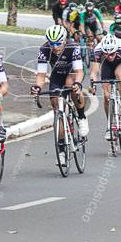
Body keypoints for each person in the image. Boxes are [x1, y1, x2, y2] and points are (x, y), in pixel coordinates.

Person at [31, 25, 90, 166]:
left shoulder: (72, 47)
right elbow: (41, 74)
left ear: (64, 40)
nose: (55, 46)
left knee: (71, 86)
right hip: (57, 75)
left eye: (58, 43)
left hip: (73, 72)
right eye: (51, 43)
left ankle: (81, 116)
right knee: (57, 105)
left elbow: (79, 71)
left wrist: (78, 83)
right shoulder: (44, 50)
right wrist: (38, 87)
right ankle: (62, 149)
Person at [89, 35, 121, 141]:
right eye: (106, 54)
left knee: (119, 74)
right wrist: (93, 84)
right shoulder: (98, 50)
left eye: (112, 54)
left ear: (116, 50)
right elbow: (94, 72)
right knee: (106, 95)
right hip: (107, 67)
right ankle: (109, 126)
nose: (109, 56)